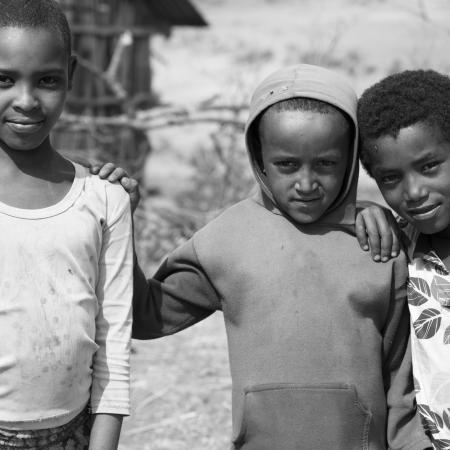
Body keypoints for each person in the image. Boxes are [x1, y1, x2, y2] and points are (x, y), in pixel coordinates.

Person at [0, 1, 133, 449]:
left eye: (48, 80)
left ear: (71, 76)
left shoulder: (103, 199)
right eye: (4, 79)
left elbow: (113, 335)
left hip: (74, 434)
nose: (26, 100)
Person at [355, 69, 450, 447]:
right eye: (390, 178)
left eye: (430, 167)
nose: (414, 192)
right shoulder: (401, 244)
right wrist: (360, 211)